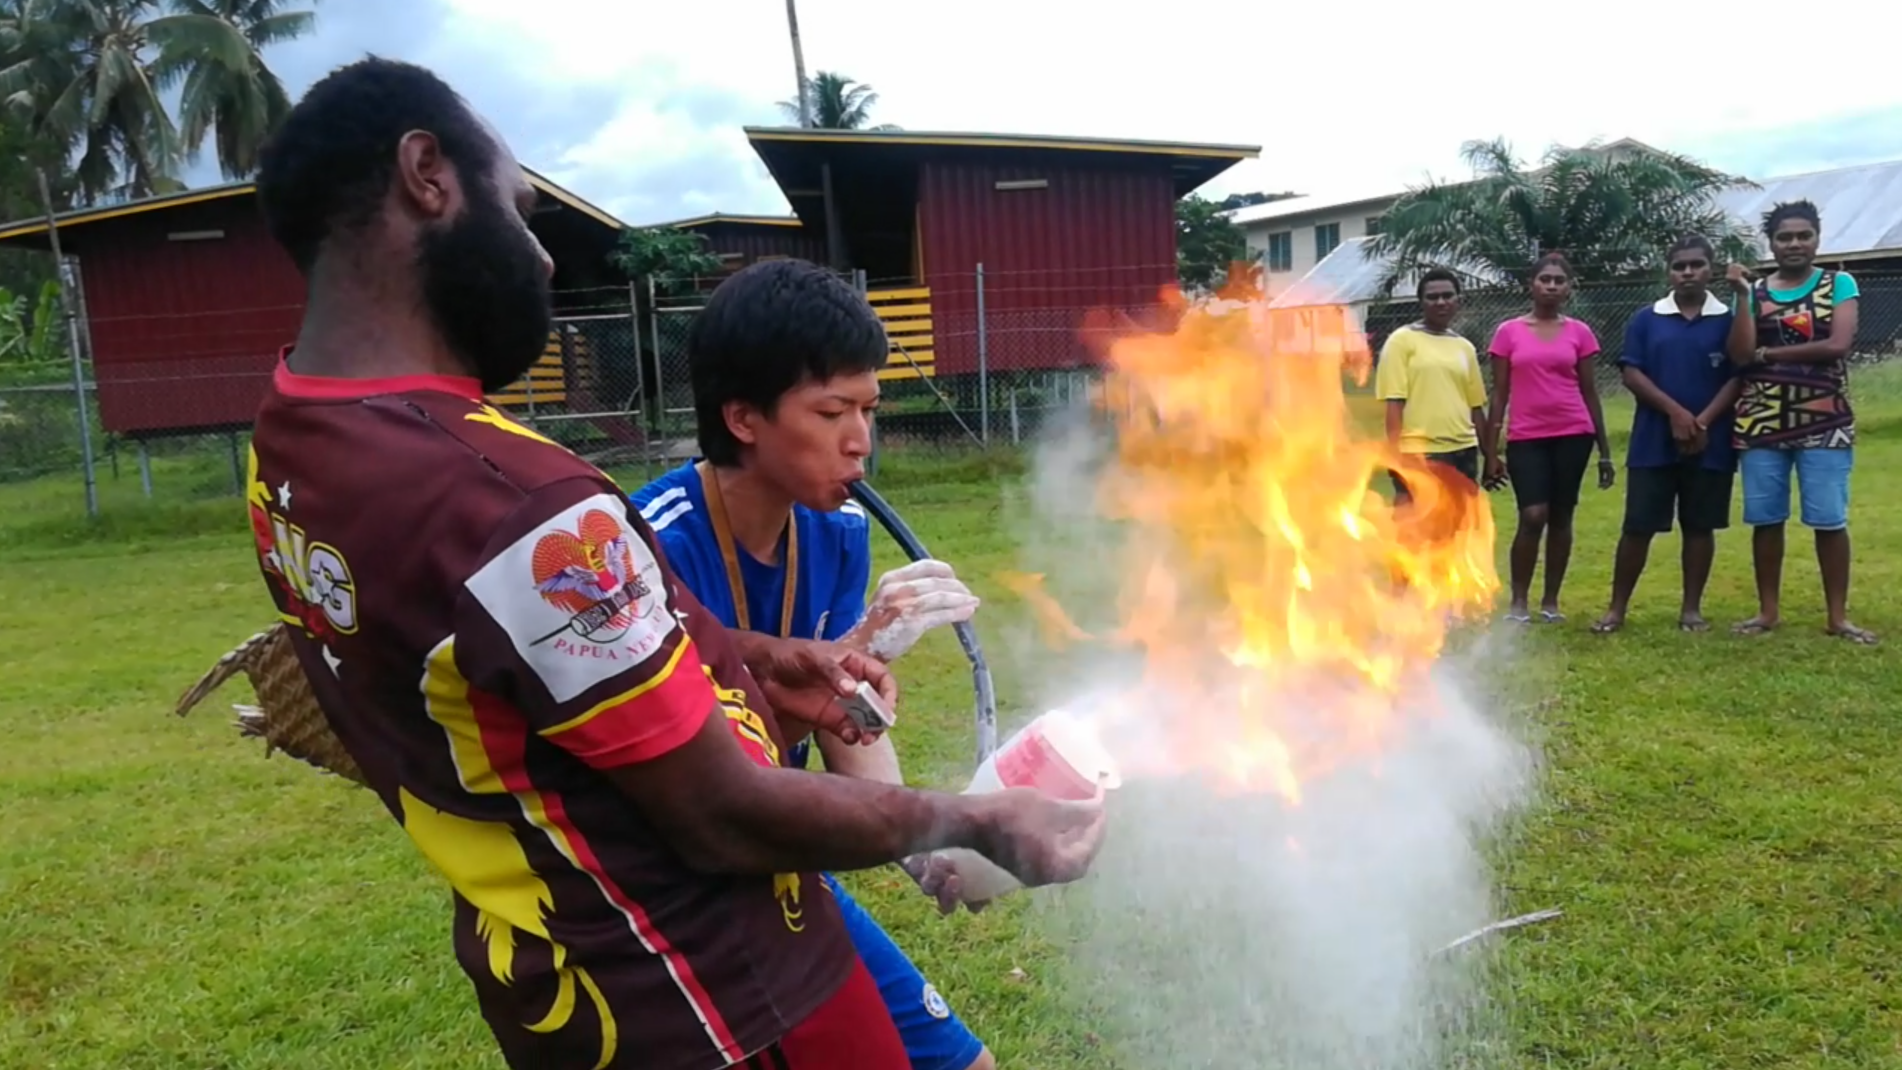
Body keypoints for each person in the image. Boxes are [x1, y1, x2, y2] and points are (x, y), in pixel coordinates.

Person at [245, 56, 1106, 1070]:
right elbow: (721, 810)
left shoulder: (289, 445)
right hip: (712, 982)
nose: (545, 258)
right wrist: (976, 818)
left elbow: (521, 671)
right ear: (428, 175)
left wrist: (749, 655)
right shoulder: (518, 504)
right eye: (521, 212)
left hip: (555, 977)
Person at [631, 259, 996, 1070]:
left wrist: (922, 848)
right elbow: (703, 759)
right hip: (676, 878)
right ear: (744, 417)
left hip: (777, 853)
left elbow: (840, 724)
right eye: (832, 410)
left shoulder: (839, 534)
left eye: (869, 408)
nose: (861, 438)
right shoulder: (648, 543)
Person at [1724, 200, 1874, 645]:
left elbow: (1837, 345)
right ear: (1771, 243)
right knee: (1765, 519)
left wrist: (1768, 356)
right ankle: (1767, 612)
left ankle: (1837, 616)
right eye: (1785, 237)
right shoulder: (1755, 291)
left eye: (1803, 235)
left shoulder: (1838, 284)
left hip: (1825, 420)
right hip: (1761, 423)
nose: (1794, 244)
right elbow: (1738, 354)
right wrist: (1743, 298)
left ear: (1817, 239)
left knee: (1829, 520)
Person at [1591, 236, 1743, 635]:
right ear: (1668, 272)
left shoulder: (1728, 319)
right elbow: (1631, 373)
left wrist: (1702, 422)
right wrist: (1675, 413)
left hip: (1709, 442)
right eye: (1679, 266)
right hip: (1652, 441)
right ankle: (1616, 609)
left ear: (1711, 268)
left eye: (1696, 264)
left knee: (1699, 525)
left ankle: (1691, 610)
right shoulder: (1646, 319)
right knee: (1638, 526)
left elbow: (1737, 376)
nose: (1688, 272)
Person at [1482, 252, 1614, 624]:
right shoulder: (1508, 332)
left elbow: (1590, 392)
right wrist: (1491, 453)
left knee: (1561, 515)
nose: (1552, 286)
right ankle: (1519, 602)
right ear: (1532, 284)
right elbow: (1499, 394)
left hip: (1574, 432)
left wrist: (1604, 451)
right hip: (1527, 437)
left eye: (1559, 280)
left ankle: (1551, 601)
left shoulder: (1580, 333)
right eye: (1545, 279)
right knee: (1532, 514)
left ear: (1568, 288)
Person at [1375, 268, 1496, 516]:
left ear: (1458, 300)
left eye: (1447, 295)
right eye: (1432, 297)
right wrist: (1396, 456)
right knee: (1415, 531)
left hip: (1463, 451)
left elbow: (1476, 408)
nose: (1441, 302)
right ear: (1421, 302)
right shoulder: (1401, 341)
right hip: (1418, 452)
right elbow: (1394, 403)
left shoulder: (1464, 347)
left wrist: (1491, 457)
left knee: (1457, 530)